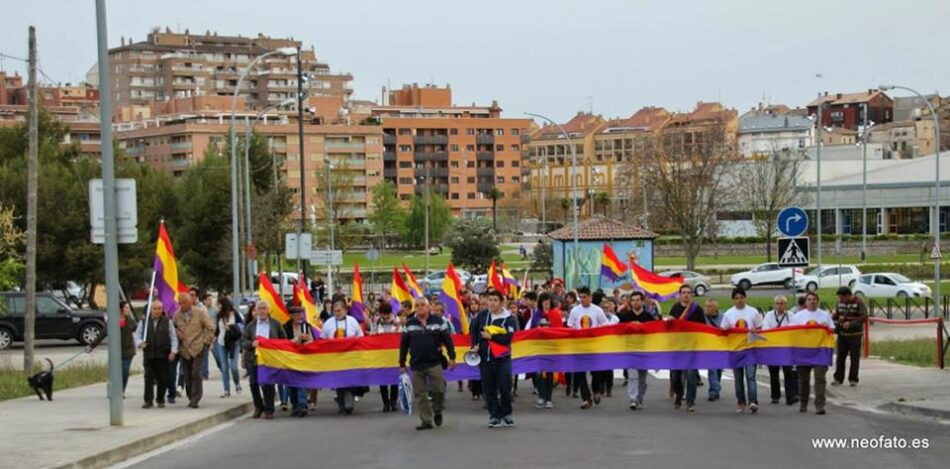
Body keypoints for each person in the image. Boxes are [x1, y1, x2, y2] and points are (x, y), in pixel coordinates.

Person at [399, 297, 456, 430]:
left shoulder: (438, 321)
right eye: (417, 305)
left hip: (435, 362)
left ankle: (437, 410)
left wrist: (452, 357)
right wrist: (402, 364)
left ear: (428, 306)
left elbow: (447, 340)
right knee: (420, 394)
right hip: (417, 364)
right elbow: (403, 345)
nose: (420, 308)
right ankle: (426, 420)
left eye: (422, 305)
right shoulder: (409, 324)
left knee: (439, 390)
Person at [471, 289, 518, 428]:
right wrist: (474, 346)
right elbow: (474, 333)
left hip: (502, 358)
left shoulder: (509, 318)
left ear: (501, 302)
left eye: (495, 300)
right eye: (490, 300)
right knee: (488, 388)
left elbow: (507, 338)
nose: (491, 303)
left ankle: (507, 413)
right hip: (485, 359)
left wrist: (491, 336)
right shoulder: (481, 316)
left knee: (504, 387)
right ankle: (494, 416)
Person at [720, 288, 763, 414]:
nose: (739, 300)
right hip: (735, 350)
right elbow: (723, 330)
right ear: (733, 300)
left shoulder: (753, 312)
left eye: (741, 297)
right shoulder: (729, 313)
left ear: (745, 298)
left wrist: (756, 330)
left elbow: (760, 328)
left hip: (750, 349)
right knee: (738, 379)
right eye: (737, 298)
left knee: (750, 376)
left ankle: (753, 401)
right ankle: (741, 402)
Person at [242, 301, 287, 419]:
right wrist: (252, 344)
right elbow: (243, 342)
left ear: (268, 310)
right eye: (259, 308)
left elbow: (283, 340)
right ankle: (258, 406)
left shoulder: (276, 324)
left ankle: (269, 409)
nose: (262, 311)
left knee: (269, 384)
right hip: (254, 359)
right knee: (253, 383)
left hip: (269, 359)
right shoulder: (250, 326)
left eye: (264, 308)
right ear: (255, 311)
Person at [792, 291, 834, 415]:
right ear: (805, 302)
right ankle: (803, 403)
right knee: (803, 380)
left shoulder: (825, 315)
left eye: (814, 299)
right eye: (809, 299)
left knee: (820, 379)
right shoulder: (799, 316)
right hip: (804, 351)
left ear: (818, 301)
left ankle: (820, 405)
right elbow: (792, 332)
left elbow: (832, 329)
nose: (812, 301)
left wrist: (827, 327)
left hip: (820, 351)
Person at [567, 286, 610, 409]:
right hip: (579, 347)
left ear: (590, 297)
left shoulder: (597, 311)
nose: (582, 299)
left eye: (585, 297)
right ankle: (586, 398)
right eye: (580, 297)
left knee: (596, 373)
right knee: (580, 374)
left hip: (593, 347)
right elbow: (570, 327)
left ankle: (596, 390)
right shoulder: (575, 311)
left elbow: (605, 326)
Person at [173, 291, 215, 409]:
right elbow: (172, 328)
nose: (183, 306)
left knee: (196, 373)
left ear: (190, 302)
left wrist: (205, 342)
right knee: (187, 374)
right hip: (184, 349)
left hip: (197, 347)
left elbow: (211, 328)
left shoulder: (199, 313)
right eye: (180, 303)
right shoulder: (177, 315)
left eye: (185, 303)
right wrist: (176, 333)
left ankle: (196, 399)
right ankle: (190, 396)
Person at [321, 300, 364, 414]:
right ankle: (341, 404)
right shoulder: (328, 323)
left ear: (345, 310)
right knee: (339, 381)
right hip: (335, 358)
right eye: (335, 311)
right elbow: (322, 339)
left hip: (350, 357)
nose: (337, 313)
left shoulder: (352, 321)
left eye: (340, 310)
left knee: (349, 380)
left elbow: (360, 337)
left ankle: (348, 404)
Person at [134, 299, 178, 409]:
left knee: (163, 379)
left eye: (159, 309)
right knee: (148, 377)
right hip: (149, 355)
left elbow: (173, 338)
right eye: (155, 308)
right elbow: (136, 336)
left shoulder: (167, 321)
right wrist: (140, 343)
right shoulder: (143, 322)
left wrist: (173, 351)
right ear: (151, 309)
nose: (157, 311)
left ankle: (160, 399)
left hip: (163, 355)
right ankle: (148, 401)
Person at [618, 291, 657, 410]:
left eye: (638, 300)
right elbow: (619, 331)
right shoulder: (626, 316)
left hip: (644, 351)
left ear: (642, 301)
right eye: (633, 300)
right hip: (631, 350)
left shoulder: (648, 316)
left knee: (642, 378)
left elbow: (654, 333)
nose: (635, 302)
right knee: (632, 375)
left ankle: (640, 398)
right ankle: (633, 399)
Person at [667, 284, 703, 411]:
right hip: (678, 347)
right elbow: (669, 327)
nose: (686, 294)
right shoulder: (675, 308)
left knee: (691, 375)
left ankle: (690, 401)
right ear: (680, 294)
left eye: (688, 292)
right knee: (676, 375)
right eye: (684, 292)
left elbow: (703, 328)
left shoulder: (697, 309)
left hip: (691, 347)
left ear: (691, 294)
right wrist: (670, 320)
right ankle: (679, 394)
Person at [763, 295, 799, 406]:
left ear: (786, 305)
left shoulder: (791, 316)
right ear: (775, 305)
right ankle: (775, 396)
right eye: (777, 303)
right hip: (773, 348)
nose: (779, 306)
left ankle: (790, 396)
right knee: (774, 373)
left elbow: (794, 330)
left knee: (788, 373)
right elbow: (766, 330)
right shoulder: (769, 316)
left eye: (782, 303)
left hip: (786, 349)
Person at [282, 306, 316, 417]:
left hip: (303, 358)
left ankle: (302, 405)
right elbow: (283, 343)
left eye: (301, 314)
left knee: (301, 381)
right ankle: (295, 405)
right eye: (296, 315)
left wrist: (308, 342)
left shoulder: (307, 326)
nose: (299, 317)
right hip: (290, 358)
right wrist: (297, 339)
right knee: (292, 382)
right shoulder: (285, 327)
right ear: (291, 316)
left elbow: (313, 341)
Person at [370, 301, 403, 412]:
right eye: (383, 314)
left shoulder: (397, 321)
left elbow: (401, 335)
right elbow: (372, 335)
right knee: (382, 380)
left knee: (394, 379)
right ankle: (386, 403)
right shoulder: (375, 321)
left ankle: (393, 402)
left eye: (387, 314)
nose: (385, 316)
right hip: (381, 354)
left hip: (394, 354)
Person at [832, 286, 868, 387]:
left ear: (848, 295)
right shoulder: (839, 303)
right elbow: (837, 315)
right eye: (839, 298)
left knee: (854, 358)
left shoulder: (859, 302)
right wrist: (834, 318)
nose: (840, 300)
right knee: (840, 357)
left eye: (841, 298)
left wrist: (851, 324)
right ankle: (838, 378)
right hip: (842, 335)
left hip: (855, 335)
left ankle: (853, 379)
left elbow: (864, 317)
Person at [213, 297, 243, 398]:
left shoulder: (235, 314)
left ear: (224, 304)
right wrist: (213, 339)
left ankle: (237, 383)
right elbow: (218, 329)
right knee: (224, 368)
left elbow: (241, 326)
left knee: (233, 366)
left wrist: (231, 327)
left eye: (219, 304)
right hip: (222, 343)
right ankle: (226, 390)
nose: (218, 306)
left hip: (234, 343)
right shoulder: (219, 315)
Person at [701, 299, 723, 402]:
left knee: (718, 369)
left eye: (709, 306)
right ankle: (713, 391)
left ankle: (716, 389)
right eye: (706, 306)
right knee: (712, 369)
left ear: (715, 308)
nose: (707, 308)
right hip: (709, 347)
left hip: (721, 347)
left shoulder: (723, 317)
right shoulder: (702, 317)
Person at [118, 301, 138, 396]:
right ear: (120, 309)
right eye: (126, 308)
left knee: (125, 370)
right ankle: (116, 389)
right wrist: (92, 345)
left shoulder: (129, 320)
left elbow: (137, 329)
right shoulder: (113, 321)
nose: (128, 310)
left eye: (128, 308)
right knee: (117, 371)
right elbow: (104, 333)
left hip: (128, 350)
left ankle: (122, 390)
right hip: (117, 351)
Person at [201, 293, 217, 380]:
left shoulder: (215, 310)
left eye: (211, 299)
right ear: (204, 301)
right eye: (208, 299)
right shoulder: (201, 310)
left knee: (218, 356)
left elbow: (218, 323)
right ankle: (204, 374)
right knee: (204, 356)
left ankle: (222, 367)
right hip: (205, 336)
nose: (210, 301)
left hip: (214, 337)